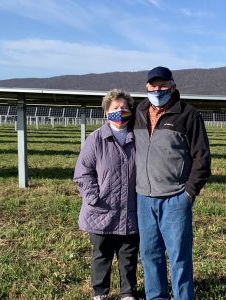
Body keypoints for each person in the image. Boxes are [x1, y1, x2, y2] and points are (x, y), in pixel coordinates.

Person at [134, 67, 212, 299]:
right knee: (150, 254)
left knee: (179, 257)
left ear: (173, 86)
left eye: (162, 85)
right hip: (144, 198)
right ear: (147, 87)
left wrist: (188, 193)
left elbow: (202, 158)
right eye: (153, 86)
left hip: (175, 198)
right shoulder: (138, 111)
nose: (158, 90)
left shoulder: (188, 115)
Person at [74, 89, 139, 300]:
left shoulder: (139, 138)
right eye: (115, 108)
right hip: (102, 209)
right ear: (106, 112)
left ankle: (128, 293)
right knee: (101, 254)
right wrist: (94, 197)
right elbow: (83, 173)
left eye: (124, 108)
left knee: (128, 255)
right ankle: (100, 292)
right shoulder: (96, 139)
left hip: (130, 208)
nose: (120, 111)